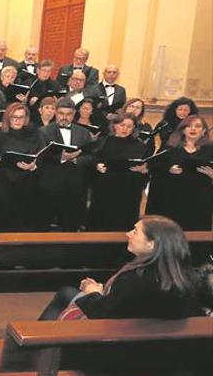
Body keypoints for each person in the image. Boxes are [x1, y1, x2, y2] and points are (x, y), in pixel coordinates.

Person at [38, 216, 205, 320]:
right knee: (66, 292)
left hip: (115, 345)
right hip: (158, 342)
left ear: (151, 244)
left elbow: (102, 313)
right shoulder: (184, 276)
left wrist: (93, 291)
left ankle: (34, 350)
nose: (128, 234)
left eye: (135, 231)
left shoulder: (135, 280)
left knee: (67, 295)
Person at [0, 103, 44, 232]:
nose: (17, 120)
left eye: (21, 117)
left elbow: (40, 155)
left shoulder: (34, 134)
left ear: (26, 118)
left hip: (25, 184)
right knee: (0, 223)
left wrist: (33, 165)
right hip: (0, 185)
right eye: (14, 117)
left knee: (20, 223)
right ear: (8, 118)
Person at [35, 98, 94, 231]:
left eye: (68, 114)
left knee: (71, 227)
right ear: (55, 113)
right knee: (42, 226)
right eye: (61, 113)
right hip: (49, 186)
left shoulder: (83, 133)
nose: (64, 117)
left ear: (74, 114)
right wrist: (60, 157)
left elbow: (91, 156)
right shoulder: (43, 131)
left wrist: (76, 160)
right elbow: (39, 156)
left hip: (74, 187)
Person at [146, 115, 213, 231]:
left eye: (197, 126)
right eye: (189, 126)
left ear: (203, 132)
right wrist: (168, 170)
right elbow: (153, 170)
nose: (193, 129)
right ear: (183, 130)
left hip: (200, 203)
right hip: (171, 202)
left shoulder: (210, 151)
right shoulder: (169, 149)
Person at [87, 113, 150, 231]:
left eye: (129, 126)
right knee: (100, 223)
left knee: (123, 224)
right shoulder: (103, 142)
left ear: (134, 129)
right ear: (115, 125)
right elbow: (91, 160)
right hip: (104, 189)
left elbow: (146, 169)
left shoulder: (140, 146)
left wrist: (143, 170)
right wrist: (96, 166)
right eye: (122, 125)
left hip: (128, 191)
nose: (125, 129)